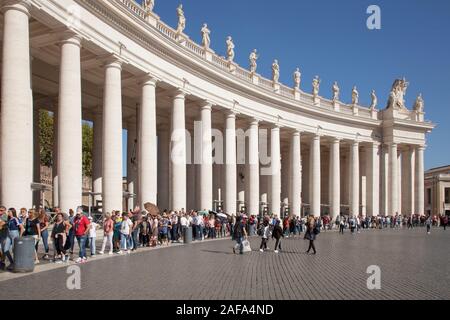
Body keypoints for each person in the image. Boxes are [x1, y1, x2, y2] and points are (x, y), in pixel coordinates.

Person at [0, 206, 15, 270]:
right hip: (1, 234)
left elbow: (1, 224)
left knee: (4, 249)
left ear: (4, 211)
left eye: (1, 210)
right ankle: (2, 261)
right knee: (3, 250)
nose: (0, 212)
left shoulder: (5, 216)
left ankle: (3, 262)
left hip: (4, 235)